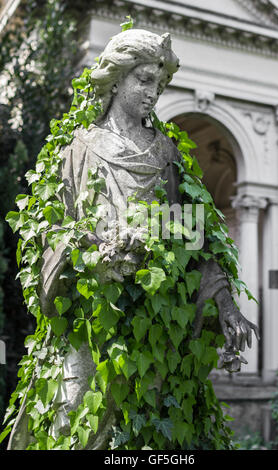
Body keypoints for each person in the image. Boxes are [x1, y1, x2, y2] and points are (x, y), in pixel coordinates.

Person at [8, 29, 259, 450]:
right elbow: (50, 232)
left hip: (153, 323)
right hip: (90, 317)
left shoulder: (166, 153)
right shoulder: (79, 149)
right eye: (143, 80)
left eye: (159, 85)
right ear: (117, 77)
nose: (152, 93)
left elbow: (192, 235)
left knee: (145, 430)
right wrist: (89, 256)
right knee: (73, 416)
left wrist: (226, 300)